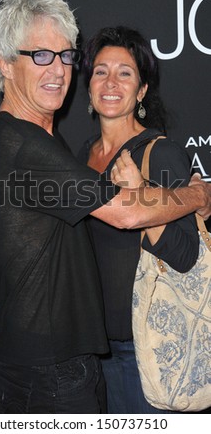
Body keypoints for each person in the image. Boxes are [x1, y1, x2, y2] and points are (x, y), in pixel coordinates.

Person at [0, 0, 211, 414]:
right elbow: (128, 212)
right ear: (5, 64)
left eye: (65, 56)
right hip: (53, 370)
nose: (58, 69)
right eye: (40, 55)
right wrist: (197, 194)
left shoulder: (54, 145)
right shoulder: (33, 146)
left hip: (126, 355)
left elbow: (180, 251)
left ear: (142, 90)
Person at [79, 25, 201, 413]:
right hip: (93, 353)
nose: (111, 82)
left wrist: (141, 193)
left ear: (142, 90)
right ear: (88, 86)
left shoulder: (159, 154)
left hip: (144, 353)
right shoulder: (82, 155)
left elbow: (185, 256)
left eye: (125, 72)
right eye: (101, 71)